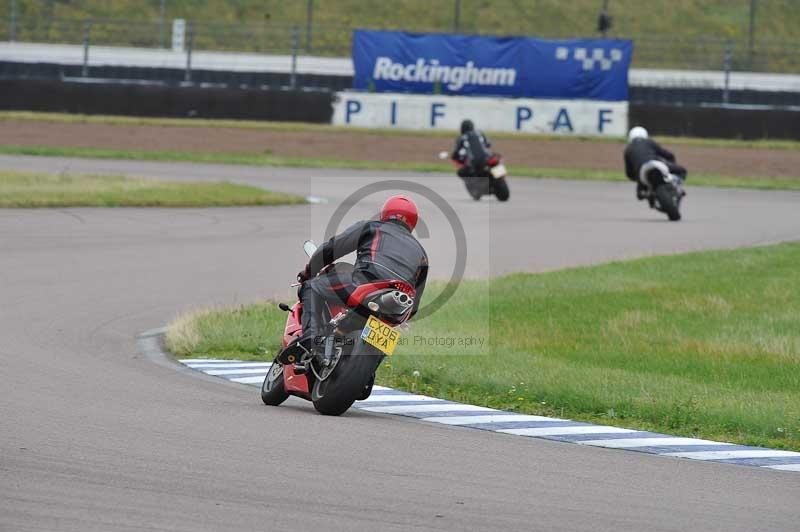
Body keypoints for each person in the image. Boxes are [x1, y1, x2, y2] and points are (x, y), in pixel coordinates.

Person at [293, 195, 428, 354]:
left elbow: (331, 249)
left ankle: (310, 338)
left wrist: (309, 271)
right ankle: (367, 375)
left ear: (384, 213)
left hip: (365, 284)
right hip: (398, 307)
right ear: (413, 222)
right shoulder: (422, 254)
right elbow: (414, 305)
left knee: (312, 286)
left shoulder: (372, 227)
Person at [624, 126, 687, 201]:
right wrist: (671, 163)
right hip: (655, 164)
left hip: (641, 172)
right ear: (645, 135)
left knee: (640, 195)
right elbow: (668, 155)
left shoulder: (628, 149)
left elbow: (629, 173)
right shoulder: (649, 142)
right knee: (682, 170)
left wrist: (636, 178)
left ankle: (647, 193)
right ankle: (677, 185)